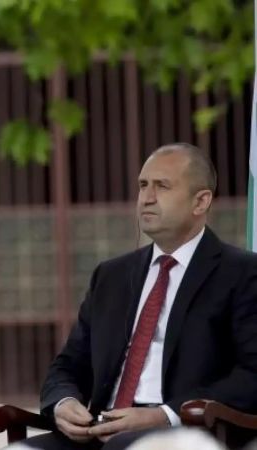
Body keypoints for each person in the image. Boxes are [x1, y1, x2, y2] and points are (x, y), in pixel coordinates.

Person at [21, 143, 257, 449]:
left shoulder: (241, 273)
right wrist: (63, 403)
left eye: (162, 186)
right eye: (143, 185)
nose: (146, 198)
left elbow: (252, 374)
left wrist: (164, 415)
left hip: (187, 432)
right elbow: (67, 365)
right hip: (98, 431)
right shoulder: (111, 276)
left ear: (200, 201)